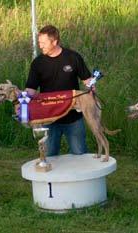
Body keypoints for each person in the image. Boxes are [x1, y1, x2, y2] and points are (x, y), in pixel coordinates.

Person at [25, 25, 94, 156]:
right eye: (39, 42)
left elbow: (87, 80)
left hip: (73, 118)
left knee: (80, 155)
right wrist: (21, 105)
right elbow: (30, 90)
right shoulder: (37, 63)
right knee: (49, 156)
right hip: (49, 119)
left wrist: (92, 85)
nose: (40, 46)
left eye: (43, 43)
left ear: (54, 42)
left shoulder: (73, 57)